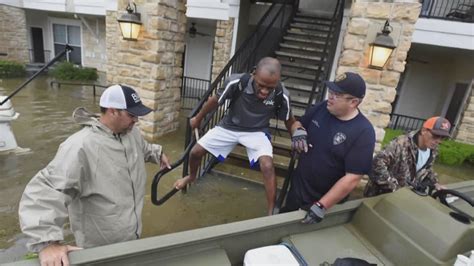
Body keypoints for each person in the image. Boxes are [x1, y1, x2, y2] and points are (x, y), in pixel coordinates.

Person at [18, 84, 171, 266]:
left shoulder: (130, 134)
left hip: (131, 240)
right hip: (98, 251)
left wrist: (157, 153)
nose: (136, 120)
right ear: (113, 111)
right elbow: (44, 192)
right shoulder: (80, 147)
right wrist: (47, 243)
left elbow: (142, 148)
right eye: (131, 115)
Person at [174, 57, 299, 215]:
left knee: (267, 166)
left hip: (257, 131)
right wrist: (198, 119)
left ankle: (270, 211)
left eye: (270, 88)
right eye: (261, 85)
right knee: (195, 152)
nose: (265, 92)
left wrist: (296, 135)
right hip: (229, 127)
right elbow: (215, 101)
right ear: (254, 74)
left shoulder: (282, 94)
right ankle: (191, 177)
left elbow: (289, 120)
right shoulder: (237, 82)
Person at [282, 72, 376, 224]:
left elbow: (353, 177)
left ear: (353, 102)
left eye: (337, 94)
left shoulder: (363, 132)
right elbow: (298, 124)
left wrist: (322, 205)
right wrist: (297, 131)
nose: (330, 97)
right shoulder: (322, 108)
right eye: (331, 91)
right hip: (297, 190)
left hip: (323, 204)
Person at [364, 116, 450, 197]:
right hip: (380, 197)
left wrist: (436, 184)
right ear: (424, 131)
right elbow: (377, 163)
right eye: (435, 136)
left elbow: (427, 169)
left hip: (405, 199)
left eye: (442, 138)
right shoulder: (401, 143)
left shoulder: (433, 150)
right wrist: (394, 188)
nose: (438, 141)